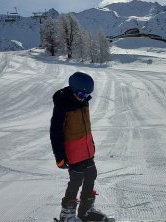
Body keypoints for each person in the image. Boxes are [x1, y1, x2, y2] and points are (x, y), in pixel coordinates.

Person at [50, 72, 108, 222]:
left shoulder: (83, 101)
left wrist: (91, 144)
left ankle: (86, 211)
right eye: (81, 93)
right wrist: (59, 157)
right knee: (76, 180)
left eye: (87, 94)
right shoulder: (63, 104)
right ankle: (67, 214)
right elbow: (55, 132)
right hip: (73, 152)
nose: (84, 96)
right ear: (73, 88)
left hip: (87, 150)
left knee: (91, 175)